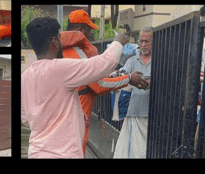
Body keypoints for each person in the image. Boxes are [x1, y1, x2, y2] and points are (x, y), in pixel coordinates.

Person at [21, 17, 129, 158]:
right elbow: (103, 64)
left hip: (36, 152)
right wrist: (118, 42)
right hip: (64, 154)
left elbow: (26, 119)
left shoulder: (25, 76)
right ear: (54, 41)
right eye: (60, 38)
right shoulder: (59, 68)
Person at [62, 11, 147, 156]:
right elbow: (99, 84)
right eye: (88, 30)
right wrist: (128, 79)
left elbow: (92, 78)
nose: (89, 35)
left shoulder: (65, 51)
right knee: (75, 151)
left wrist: (115, 75)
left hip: (72, 115)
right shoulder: (76, 53)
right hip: (78, 114)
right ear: (80, 29)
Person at [113, 27, 153, 158]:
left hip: (153, 116)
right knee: (133, 153)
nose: (143, 45)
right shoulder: (131, 61)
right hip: (134, 113)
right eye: (141, 41)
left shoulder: (160, 61)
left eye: (147, 41)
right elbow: (121, 75)